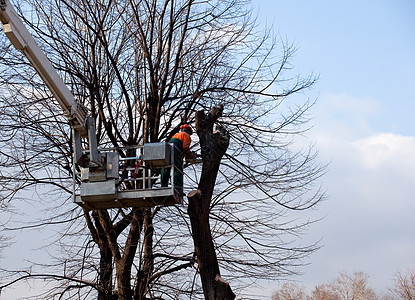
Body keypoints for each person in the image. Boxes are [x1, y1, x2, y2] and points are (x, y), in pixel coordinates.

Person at [161, 124, 194, 195]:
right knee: (178, 169)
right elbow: (185, 147)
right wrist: (190, 155)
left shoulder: (176, 135)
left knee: (165, 168)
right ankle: (178, 188)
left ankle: (163, 186)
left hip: (167, 150)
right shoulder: (186, 135)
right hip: (175, 150)